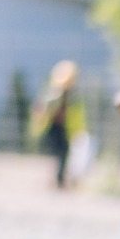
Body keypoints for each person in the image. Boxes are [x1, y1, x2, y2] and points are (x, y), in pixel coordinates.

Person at [30, 62, 84, 190]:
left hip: (65, 129)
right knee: (58, 155)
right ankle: (56, 181)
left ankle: (59, 181)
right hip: (53, 128)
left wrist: (78, 130)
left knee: (63, 155)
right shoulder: (53, 94)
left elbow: (77, 116)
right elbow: (39, 110)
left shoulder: (73, 97)